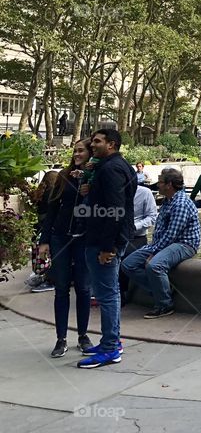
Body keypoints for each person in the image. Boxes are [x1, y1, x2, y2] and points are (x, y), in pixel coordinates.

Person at [77, 128, 136, 369]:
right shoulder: (115, 165)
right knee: (108, 293)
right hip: (107, 238)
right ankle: (111, 342)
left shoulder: (111, 169)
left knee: (107, 295)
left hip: (104, 241)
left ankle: (111, 348)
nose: (93, 145)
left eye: (97, 142)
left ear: (111, 144)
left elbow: (114, 209)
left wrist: (107, 247)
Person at [38, 140, 94, 357]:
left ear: (91, 154)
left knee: (83, 288)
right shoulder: (63, 176)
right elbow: (52, 210)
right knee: (61, 287)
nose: (77, 154)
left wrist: (89, 188)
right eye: (75, 151)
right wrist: (44, 240)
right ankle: (61, 339)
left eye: (81, 150)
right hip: (61, 237)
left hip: (84, 239)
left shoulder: (96, 177)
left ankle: (83, 335)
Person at [121, 168, 201, 320]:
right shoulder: (168, 201)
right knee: (127, 264)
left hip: (184, 244)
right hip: (163, 243)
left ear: (169, 185)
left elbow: (172, 234)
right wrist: (153, 248)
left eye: (161, 182)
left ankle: (164, 304)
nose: (158, 185)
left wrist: (154, 253)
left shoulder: (181, 203)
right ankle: (162, 289)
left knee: (155, 265)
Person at [119, 182, 159, 306]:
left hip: (137, 237)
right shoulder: (115, 192)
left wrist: (134, 227)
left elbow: (152, 217)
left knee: (124, 258)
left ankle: (122, 293)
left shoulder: (145, 193)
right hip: (118, 235)